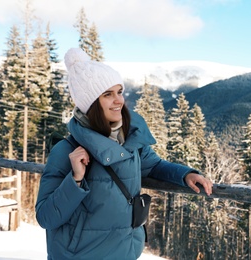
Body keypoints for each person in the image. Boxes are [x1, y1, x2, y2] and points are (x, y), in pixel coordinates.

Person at [35, 48, 213, 260]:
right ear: (90, 103)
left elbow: (154, 166)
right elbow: (46, 217)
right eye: (108, 94)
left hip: (125, 251)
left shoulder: (130, 140)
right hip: (81, 254)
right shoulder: (66, 151)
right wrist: (75, 179)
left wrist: (185, 175)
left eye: (119, 92)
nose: (119, 100)